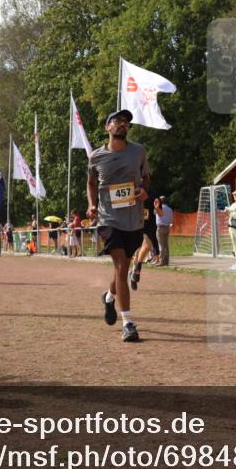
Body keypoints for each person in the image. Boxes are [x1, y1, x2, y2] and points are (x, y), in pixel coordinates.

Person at [87, 109, 150, 343]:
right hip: (108, 218)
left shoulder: (139, 151)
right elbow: (91, 183)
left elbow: (146, 177)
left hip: (133, 220)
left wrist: (144, 190)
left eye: (126, 122)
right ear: (107, 127)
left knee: (121, 268)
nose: (122, 124)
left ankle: (109, 298)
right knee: (122, 266)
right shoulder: (96, 157)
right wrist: (92, 205)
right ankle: (128, 323)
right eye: (117, 121)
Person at [129, 194, 158, 291]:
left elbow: (159, 214)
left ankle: (134, 271)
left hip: (148, 226)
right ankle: (136, 271)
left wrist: (157, 208)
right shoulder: (133, 192)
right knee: (145, 247)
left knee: (142, 249)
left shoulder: (153, 194)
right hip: (136, 225)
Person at [154, 196, 174, 266]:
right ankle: (166, 261)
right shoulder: (170, 209)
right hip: (167, 227)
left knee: (161, 245)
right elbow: (171, 220)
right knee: (166, 245)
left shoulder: (159, 208)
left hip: (160, 228)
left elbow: (154, 213)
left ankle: (162, 261)